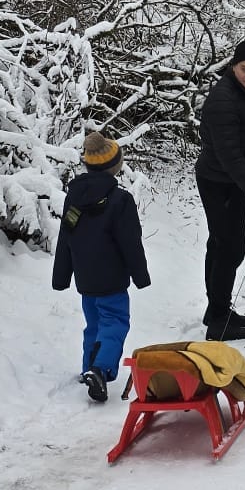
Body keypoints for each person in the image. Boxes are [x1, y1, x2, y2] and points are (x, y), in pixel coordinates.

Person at [52, 131, 150, 403]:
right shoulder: (120, 200)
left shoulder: (74, 197)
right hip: (112, 279)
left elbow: (66, 237)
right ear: (115, 166)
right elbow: (130, 242)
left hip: (86, 278)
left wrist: (61, 276)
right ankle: (100, 369)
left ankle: (88, 368)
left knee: (93, 325)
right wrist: (140, 275)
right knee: (115, 323)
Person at [194, 39, 245, 341]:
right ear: (233, 65)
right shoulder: (223, 99)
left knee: (222, 245)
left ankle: (216, 309)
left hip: (230, 180)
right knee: (229, 248)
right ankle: (218, 319)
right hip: (219, 180)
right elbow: (228, 153)